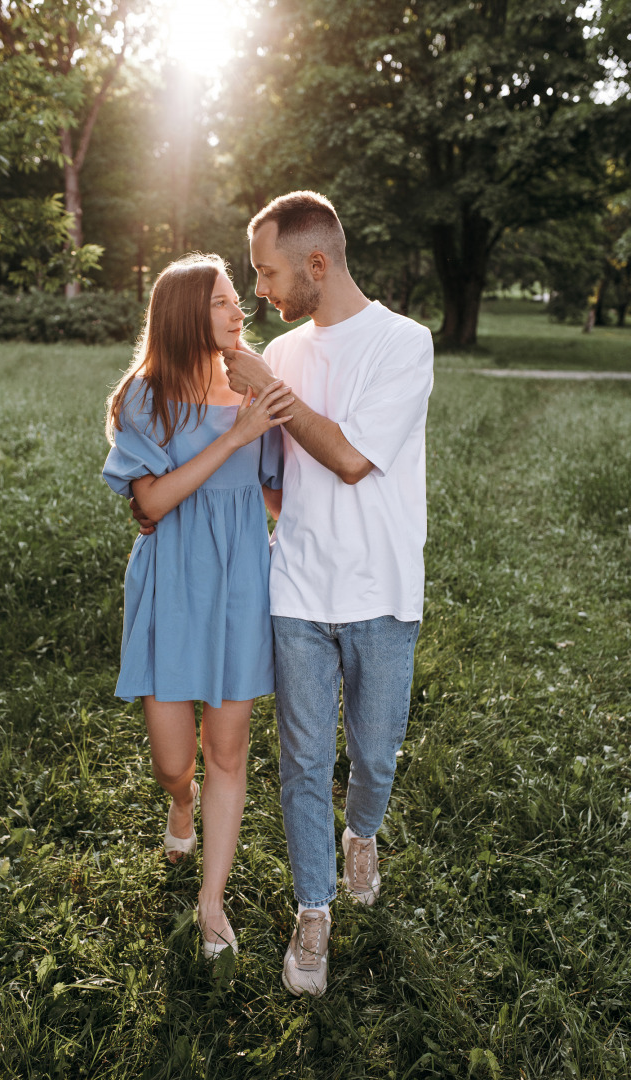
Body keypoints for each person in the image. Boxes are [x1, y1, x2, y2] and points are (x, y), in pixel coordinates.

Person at [221, 191, 435, 996]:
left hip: (381, 590)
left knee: (372, 756)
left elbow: (348, 459)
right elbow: (278, 476)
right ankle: (314, 912)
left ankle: (363, 833)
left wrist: (272, 395)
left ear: (317, 263)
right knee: (305, 761)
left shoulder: (403, 344)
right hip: (299, 589)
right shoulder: (279, 355)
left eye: (270, 273)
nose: (262, 291)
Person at [102, 253, 292, 960]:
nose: (239, 309)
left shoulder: (254, 387)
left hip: (242, 583)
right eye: (222, 301)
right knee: (172, 762)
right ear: (186, 313)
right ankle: (179, 803)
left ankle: (212, 903)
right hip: (172, 585)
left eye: (238, 297)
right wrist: (235, 439)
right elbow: (148, 501)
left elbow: (278, 492)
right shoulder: (147, 397)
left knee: (228, 750)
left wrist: (263, 409)